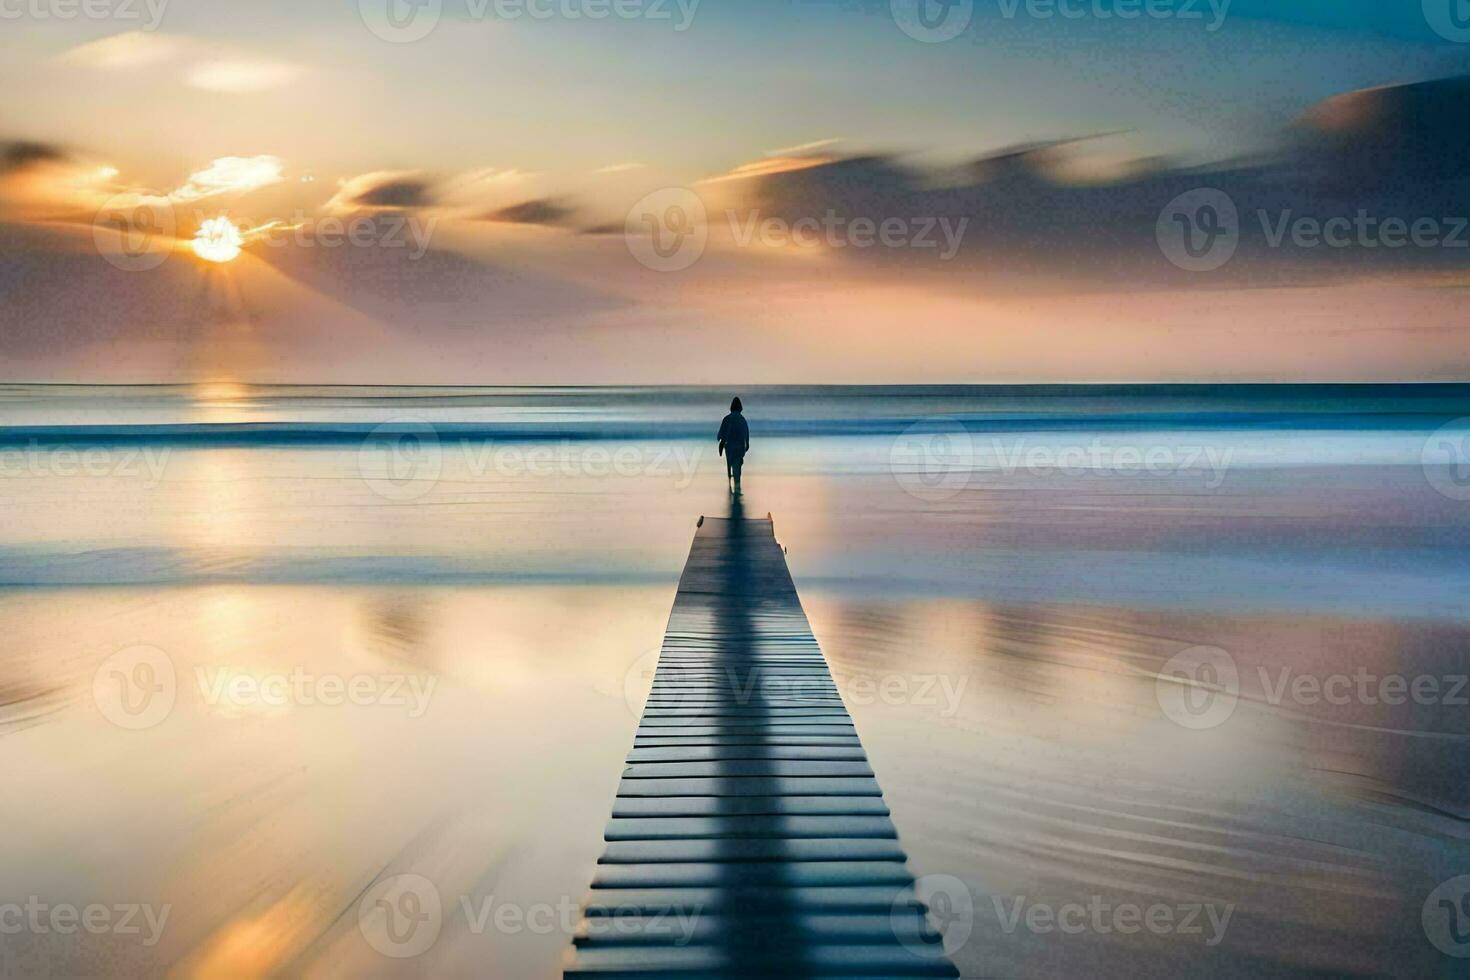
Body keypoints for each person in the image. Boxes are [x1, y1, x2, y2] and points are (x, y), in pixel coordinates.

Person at [717, 397, 750, 493]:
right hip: (740, 447)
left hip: (730, 447)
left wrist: (721, 444)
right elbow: (746, 434)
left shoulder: (727, 419)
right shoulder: (742, 419)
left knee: (730, 463)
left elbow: (720, 435)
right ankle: (737, 485)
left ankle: (730, 482)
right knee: (738, 465)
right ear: (740, 408)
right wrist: (747, 445)